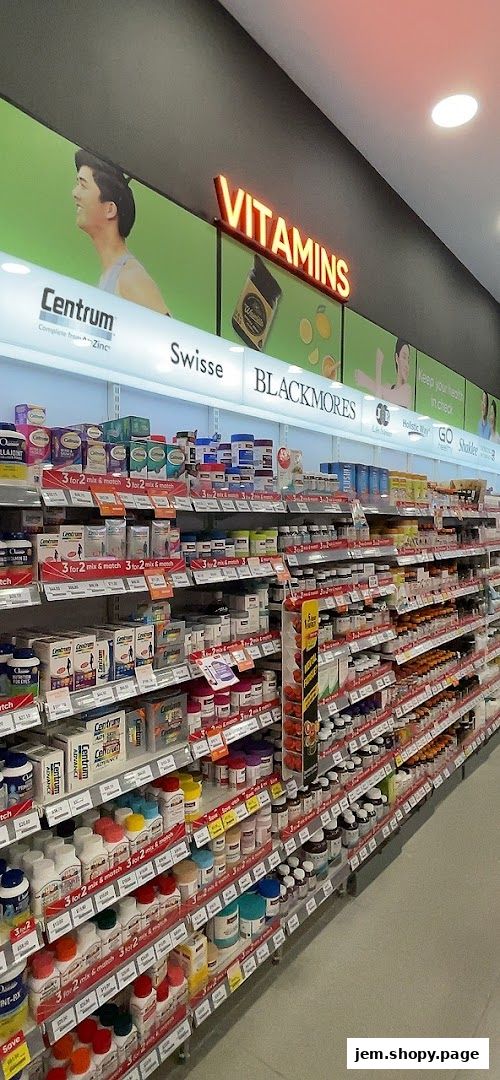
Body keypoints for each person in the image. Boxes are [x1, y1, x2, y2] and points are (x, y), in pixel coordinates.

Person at [72, 149, 170, 314]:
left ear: (110, 209)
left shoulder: (130, 278)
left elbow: (168, 337)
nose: (75, 193)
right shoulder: (113, 276)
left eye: (83, 185)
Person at [354, 338, 413, 408]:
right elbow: (378, 401)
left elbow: (386, 395)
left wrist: (367, 380)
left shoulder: (407, 390)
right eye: (404, 357)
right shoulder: (387, 386)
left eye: (408, 360)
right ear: (397, 358)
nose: (407, 365)